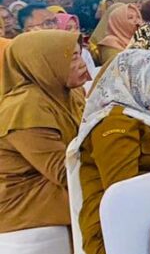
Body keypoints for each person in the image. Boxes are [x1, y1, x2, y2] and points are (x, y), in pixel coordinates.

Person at [69, 50, 150, 254]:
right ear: (140, 82)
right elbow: (124, 196)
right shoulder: (116, 124)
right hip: (116, 235)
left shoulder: (148, 120)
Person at [0, 31, 89, 233]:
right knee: (109, 198)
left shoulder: (69, 91)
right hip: (21, 195)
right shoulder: (24, 107)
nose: (83, 64)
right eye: (73, 58)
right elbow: (64, 172)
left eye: (80, 54)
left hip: (53, 180)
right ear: (44, 63)